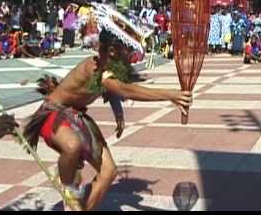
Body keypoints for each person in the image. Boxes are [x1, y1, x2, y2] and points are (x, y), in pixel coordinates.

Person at [23, 29, 192, 211]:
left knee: (108, 171)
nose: (131, 55)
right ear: (112, 51)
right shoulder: (93, 67)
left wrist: (118, 114)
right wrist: (170, 95)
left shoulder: (109, 69)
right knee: (72, 146)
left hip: (76, 116)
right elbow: (124, 89)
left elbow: (112, 91)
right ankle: (68, 188)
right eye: (128, 49)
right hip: (53, 114)